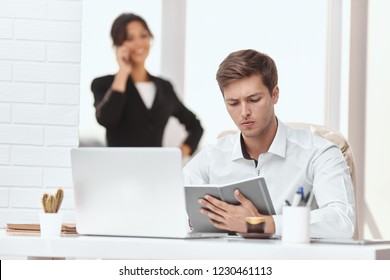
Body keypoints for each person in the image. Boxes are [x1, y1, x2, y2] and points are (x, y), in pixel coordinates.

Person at [183, 49, 355, 238]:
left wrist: (261, 224)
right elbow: (170, 213)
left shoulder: (320, 153)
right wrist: (197, 219)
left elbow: (342, 221)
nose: (244, 112)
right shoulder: (211, 157)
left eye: (254, 99)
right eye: (233, 103)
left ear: (274, 95)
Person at [91, 13, 203, 156]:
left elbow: (195, 126)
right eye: (129, 38)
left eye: (143, 35)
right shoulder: (103, 84)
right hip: (118, 172)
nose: (138, 43)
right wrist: (123, 72)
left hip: (155, 174)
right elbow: (107, 119)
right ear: (118, 45)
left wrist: (180, 153)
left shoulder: (165, 87)